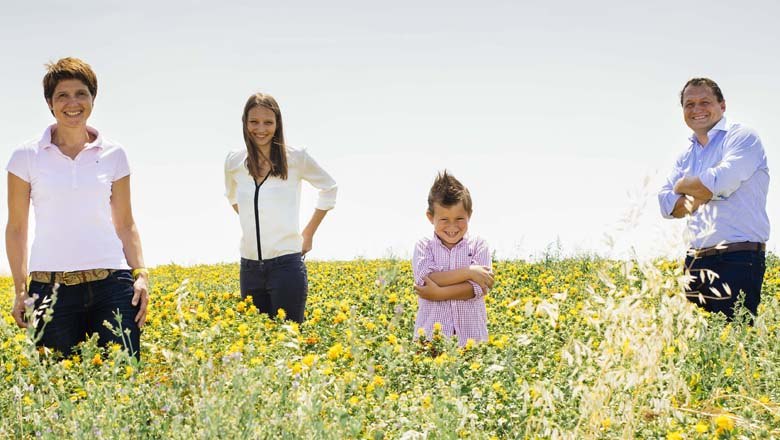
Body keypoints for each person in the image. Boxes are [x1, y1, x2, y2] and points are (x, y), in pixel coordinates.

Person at [5, 57, 149, 358]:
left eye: (81, 93)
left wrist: (141, 275)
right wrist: (20, 290)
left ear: (93, 99)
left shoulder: (114, 154)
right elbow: (16, 228)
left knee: (123, 383)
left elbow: (125, 223)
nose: (73, 103)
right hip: (50, 289)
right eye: (63, 95)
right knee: (58, 390)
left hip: (113, 286)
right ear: (50, 103)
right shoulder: (25, 156)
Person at [658, 77, 769, 320]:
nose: (696, 109)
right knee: (696, 349)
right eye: (689, 104)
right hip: (694, 261)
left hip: (738, 259)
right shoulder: (685, 155)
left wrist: (684, 186)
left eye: (704, 102)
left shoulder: (742, 137)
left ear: (723, 106)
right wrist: (704, 192)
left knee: (733, 344)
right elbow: (666, 206)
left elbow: (722, 182)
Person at [224, 93, 337, 323]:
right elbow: (232, 196)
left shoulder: (296, 158)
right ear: (245, 123)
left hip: (286, 267)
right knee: (255, 347)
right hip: (249, 269)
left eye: (268, 122)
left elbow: (329, 188)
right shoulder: (234, 162)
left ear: (278, 124)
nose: (261, 129)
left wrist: (308, 234)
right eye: (254, 122)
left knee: (289, 344)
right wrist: (255, 221)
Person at [413, 171, 494, 346]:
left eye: (459, 218)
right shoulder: (424, 246)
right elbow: (427, 279)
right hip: (430, 340)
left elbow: (479, 288)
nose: (452, 226)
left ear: (469, 215)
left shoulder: (479, 245)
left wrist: (439, 293)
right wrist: (469, 272)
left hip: (471, 339)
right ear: (430, 217)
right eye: (444, 219)